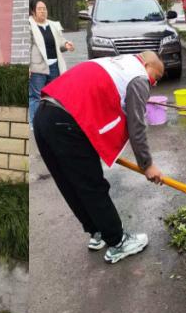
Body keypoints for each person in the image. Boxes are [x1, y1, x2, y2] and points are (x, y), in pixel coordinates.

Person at [34, 51, 166, 264]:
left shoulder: (118, 63)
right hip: (67, 121)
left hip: (44, 116)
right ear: (146, 63)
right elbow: (137, 125)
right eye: (156, 77)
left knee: (70, 183)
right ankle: (118, 242)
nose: (154, 84)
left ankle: (97, 232)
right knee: (92, 185)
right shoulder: (139, 76)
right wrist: (147, 165)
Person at [28, 0, 74, 127]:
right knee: (36, 96)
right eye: (40, 9)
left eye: (45, 8)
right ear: (33, 11)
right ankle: (35, 123)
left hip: (54, 66)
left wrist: (66, 44)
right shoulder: (29, 25)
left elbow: (60, 41)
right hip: (37, 67)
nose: (43, 11)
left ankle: (49, 121)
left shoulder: (53, 25)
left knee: (52, 95)